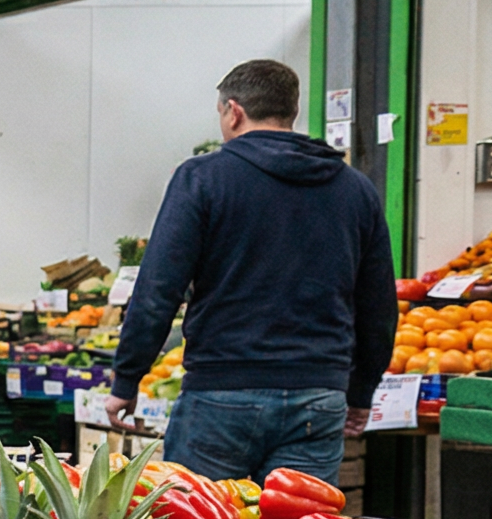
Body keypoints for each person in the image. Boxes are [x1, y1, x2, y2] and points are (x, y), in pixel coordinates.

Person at [105, 59, 397, 480]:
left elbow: (158, 289)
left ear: (234, 111)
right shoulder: (355, 189)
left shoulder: (202, 179)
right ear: (290, 111)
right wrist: (361, 390)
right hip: (317, 396)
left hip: (221, 394)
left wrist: (127, 379)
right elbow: (378, 305)